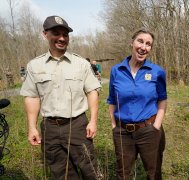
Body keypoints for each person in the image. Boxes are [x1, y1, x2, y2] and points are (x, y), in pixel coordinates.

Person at [20, 15, 101, 180]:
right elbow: (32, 97)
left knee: (90, 169)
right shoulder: (35, 66)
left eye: (65, 34)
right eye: (56, 33)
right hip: (50, 128)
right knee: (61, 173)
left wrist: (93, 120)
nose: (62, 38)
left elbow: (92, 91)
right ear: (45, 34)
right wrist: (32, 127)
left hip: (77, 125)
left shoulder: (81, 64)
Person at [107, 28, 167, 180]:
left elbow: (162, 99)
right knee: (123, 174)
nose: (143, 47)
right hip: (122, 131)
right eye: (140, 41)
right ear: (132, 43)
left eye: (148, 44)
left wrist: (156, 126)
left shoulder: (157, 72)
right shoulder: (116, 71)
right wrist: (114, 126)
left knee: (153, 173)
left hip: (149, 129)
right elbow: (112, 100)